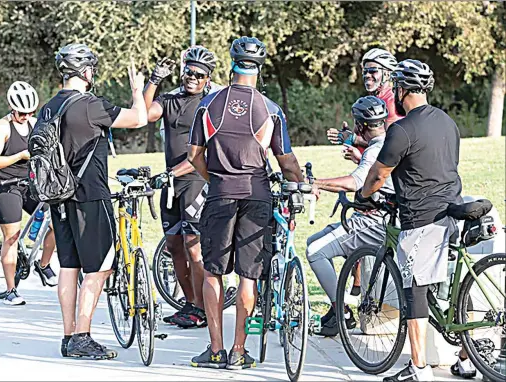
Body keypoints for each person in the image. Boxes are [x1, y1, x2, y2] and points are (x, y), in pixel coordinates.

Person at [188, 36, 306, 370]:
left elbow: (194, 155)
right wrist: (298, 184)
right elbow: (286, 161)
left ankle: (215, 350)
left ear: (231, 63)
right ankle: (239, 351)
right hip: (257, 195)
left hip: (220, 193)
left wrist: (214, 178)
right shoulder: (270, 109)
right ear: (259, 67)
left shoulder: (208, 104)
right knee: (248, 276)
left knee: (213, 272)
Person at [358, 59, 475, 381]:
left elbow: (378, 173)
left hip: (422, 219)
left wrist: (365, 195)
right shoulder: (447, 121)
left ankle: (419, 368)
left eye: (395, 87)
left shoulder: (402, 129)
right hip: (452, 209)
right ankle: (467, 358)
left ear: (402, 89)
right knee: (456, 290)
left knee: (415, 291)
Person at [47, 43, 147, 359]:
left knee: (68, 266)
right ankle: (82, 335)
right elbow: (138, 119)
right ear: (87, 71)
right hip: (90, 196)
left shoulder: (50, 106)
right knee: (99, 268)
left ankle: (68, 336)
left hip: (59, 197)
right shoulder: (90, 105)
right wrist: (137, 91)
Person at [306, 96, 395, 336]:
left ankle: (341, 311)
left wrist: (317, 182)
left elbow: (355, 182)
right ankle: (338, 309)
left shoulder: (375, 148)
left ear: (361, 125)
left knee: (315, 251)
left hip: (374, 222)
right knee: (312, 241)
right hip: (379, 218)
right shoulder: (389, 141)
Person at [145, 46, 220, 329]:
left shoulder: (210, 104)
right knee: (174, 246)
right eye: (189, 71)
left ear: (207, 79)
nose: (193, 77)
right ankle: (189, 304)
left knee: (194, 248)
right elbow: (144, 115)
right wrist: (153, 80)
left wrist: (174, 172)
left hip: (195, 181)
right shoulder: (170, 99)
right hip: (170, 183)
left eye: (199, 74)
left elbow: (204, 153)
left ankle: (201, 307)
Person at [0, 81, 58, 306]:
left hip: (29, 183)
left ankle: (43, 265)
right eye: (21, 113)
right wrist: (20, 155)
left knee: (56, 219)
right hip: (5, 185)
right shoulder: (2, 127)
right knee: (12, 237)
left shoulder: (34, 124)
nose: (26, 116)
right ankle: (10, 290)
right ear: (12, 108)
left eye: (30, 112)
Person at [328, 48, 401, 164]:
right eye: (365, 71)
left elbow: (391, 145)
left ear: (387, 73)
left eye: (373, 71)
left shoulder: (391, 102)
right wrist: (349, 136)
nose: (367, 75)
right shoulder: (374, 101)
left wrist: (353, 139)